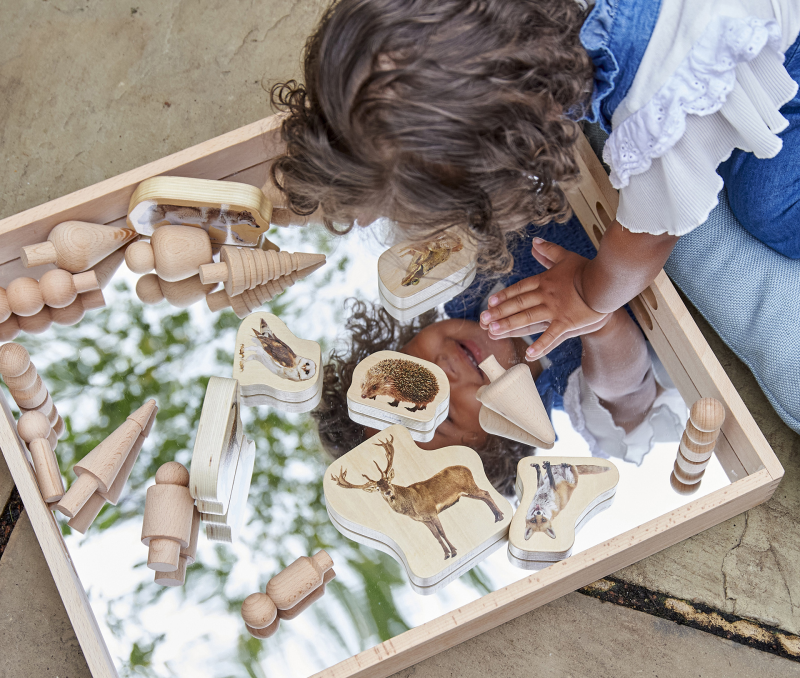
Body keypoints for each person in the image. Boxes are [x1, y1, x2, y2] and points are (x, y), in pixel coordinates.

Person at [271, 0, 800, 414]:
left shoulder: (653, 107)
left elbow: (650, 235)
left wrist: (588, 296)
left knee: (767, 204)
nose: (446, 380)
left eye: (420, 383)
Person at [313, 225, 685, 494]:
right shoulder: (572, 387)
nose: (442, 372)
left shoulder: (467, 273)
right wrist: (597, 317)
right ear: (492, 445)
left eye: (411, 372)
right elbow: (627, 390)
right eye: (442, 416)